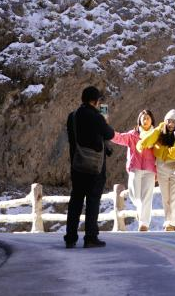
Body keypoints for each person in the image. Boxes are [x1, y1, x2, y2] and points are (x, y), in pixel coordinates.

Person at [64, 86, 114, 249]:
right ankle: (90, 237)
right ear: (95, 101)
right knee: (92, 200)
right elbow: (109, 134)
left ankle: (70, 238)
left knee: (76, 200)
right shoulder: (97, 117)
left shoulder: (73, 116)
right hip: (95, 166)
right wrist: (105, 121)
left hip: (77, 164)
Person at [110, 109, 159, 231]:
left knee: (147, 197)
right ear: (139, 121)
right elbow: (119, 137)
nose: (145, 120)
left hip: (150, 169)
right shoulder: (133, 135)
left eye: (148, 118)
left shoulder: (156, 136)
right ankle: (140, 210)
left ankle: (144, 224)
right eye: (143, 118)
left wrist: (159, 171)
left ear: (152, 120)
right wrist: (108, 132)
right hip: (135, 168)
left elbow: (160, 153)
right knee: (134, 194)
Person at [138, 109, 175, 230]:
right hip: (161, 168)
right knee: (165, 197)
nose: (170, 124)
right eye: (169, 121)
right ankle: (169, 221)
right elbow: (151, 138)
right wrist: (142, 143)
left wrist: (164, 152)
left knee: (174, 196)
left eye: (173, 122)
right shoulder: (159, 131)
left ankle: (173, 221)